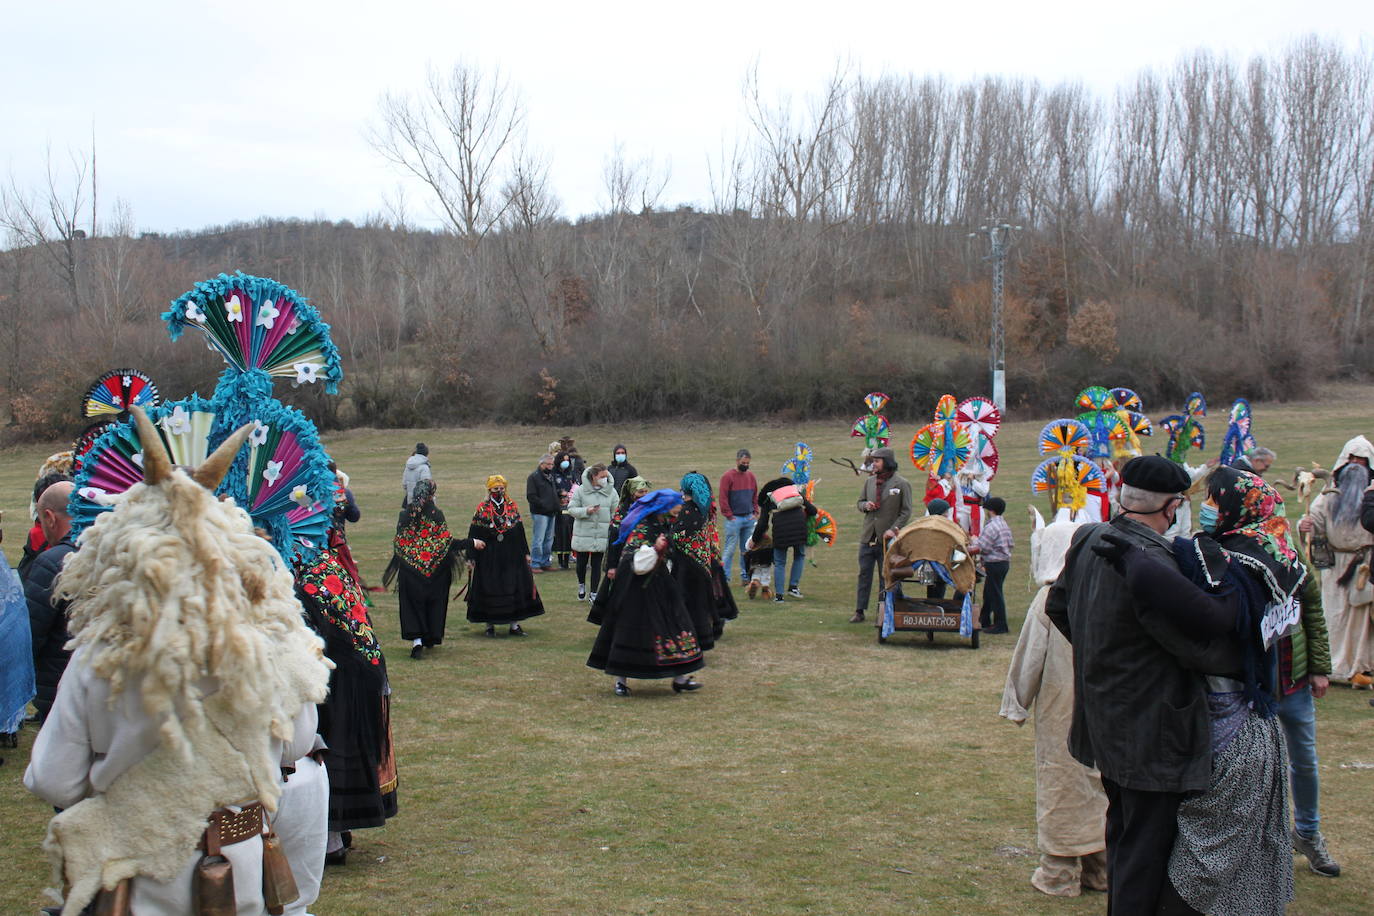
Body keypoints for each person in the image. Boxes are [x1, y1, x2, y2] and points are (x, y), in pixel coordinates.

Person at [23, 409, 329, 915]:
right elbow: (294, 745)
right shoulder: (268, 644)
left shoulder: (101, 655)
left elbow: (53, 777)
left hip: (137, 871)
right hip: (239, 865)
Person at [1093, 467, 1302, 914]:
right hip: (1238, 720)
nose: (1205, 508)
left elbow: (1217, 618)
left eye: (1214, 499)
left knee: (1203, 857)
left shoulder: (1245, 563)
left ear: (1237, 508)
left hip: (1229, 730)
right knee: (1208, 850)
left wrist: (1139, 565)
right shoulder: (1269, 553)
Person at [1044, 455, 1214, 915]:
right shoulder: (1154, 560)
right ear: (1172, 507)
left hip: (1104, 714)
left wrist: (1102, 653)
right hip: (1150, 726)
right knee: (1144, 846)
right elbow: (1188, 645)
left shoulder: (1090, 536)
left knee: (1122, 830)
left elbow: (1058, 608)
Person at [1000, 505, 1107, 898]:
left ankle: (1060, 874)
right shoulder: (1108, 591)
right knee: (1101, 786)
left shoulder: (1050, 598)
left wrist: (1016, 703)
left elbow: (1029, 656)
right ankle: (1102, 870)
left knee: (1062, 782)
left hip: (1063, 708)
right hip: (1107, 708)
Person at [296, 548, 397, 864]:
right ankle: (336, 834)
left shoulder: (298, 578)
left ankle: (330, 838)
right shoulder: (326, 564)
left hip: (340, 679)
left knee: (325, 752)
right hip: (358, 670)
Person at [587, 489, 704, 696]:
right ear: (665, 507)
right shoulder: (643, 527)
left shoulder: (662, 524)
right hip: (635, 587)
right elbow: (636, 560)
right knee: (629, 629)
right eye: (677, 505)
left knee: (676, 623)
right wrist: (656, 549)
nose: (680, 508)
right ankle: (620, 681)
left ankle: (680, 678)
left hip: (659, 583)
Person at [1299, 436, 1373, 687]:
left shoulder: (1372, 493)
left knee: (1361, 620)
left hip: (1365, 564)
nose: (1355, 465)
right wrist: (1305, 525)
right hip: (1335, 565)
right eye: (1351, 459)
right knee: (1335, 616)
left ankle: (1360, 667)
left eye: (1362, 461)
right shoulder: (1330, 491)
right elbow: (1315, 518)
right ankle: (1333, 666)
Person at [383, 479, 475, 657]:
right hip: (435, 571)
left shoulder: (405, 514)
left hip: (410, 570)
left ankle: (417, 641)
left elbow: (400, 542)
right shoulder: (436, 514)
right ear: (432, 495)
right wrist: (471, 543)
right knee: (434, 603)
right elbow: (445, 542)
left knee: (412, 605)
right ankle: (430, 636)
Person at [466, 475, 545, 637]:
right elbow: (473, 533)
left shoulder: (512, 507)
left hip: (511, 555)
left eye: (502, 489)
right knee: (489, 587)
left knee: (513, 586)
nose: (499, 492)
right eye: (496, 489)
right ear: (489, 490)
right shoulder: (482, 508)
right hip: (489, 556)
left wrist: (526, 553)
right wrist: (471, 556)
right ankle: (489, 626)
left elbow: (520, 531)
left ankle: (514, 625)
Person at [25, 480, 76, 723]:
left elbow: (31, 634)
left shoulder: (51, 563)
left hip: (59, 686)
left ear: (49, 517)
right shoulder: (109, 553)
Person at [673, 472, 738, 646]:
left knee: (694, 600)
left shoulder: (689, 511)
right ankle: (711, 624)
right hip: (705, 556)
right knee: (707, 596)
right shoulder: (704, 507)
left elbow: (677, 537)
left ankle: (695, 632)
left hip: (692, 562)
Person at [852, 447, 913, 623]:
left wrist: (893, 529)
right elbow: (859, 502)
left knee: (886, 576)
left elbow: (906, 512)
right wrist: (865, 506)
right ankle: (859, 610)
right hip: (868, 537)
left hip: (888, 539)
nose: (873, 464)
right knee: (864, 574)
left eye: (877, 461)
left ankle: (884, 609)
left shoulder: (901, 484)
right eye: (873, 461)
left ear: (886, 462)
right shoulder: (869, 482)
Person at [588, 476, 651, 625]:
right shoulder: (622, 512)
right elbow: (614, 541)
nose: (643, 495)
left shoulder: (648, 509)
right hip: (623, 559)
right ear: (632, 493)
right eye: (640, 492)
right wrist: (612, 566)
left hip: (641, 559)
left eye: (645, 492)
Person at [751, 474, 818, 604]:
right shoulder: (794, 493)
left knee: (780, 562)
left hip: (780, 531)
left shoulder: (768, 499)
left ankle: (779, 596)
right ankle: (793, 587)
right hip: (799, 527)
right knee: (799, 556)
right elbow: (813, 510)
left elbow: (762, 524)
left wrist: (754, 539)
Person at [567, 463, 618, 601]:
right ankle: (581, 584)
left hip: (601, 534)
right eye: (602, 477)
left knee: (597, 564)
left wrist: (614, 524)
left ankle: (594, 592)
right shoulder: (580, 491)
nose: (604, 479)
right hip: (583, 532)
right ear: (594, 476)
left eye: (606, 477)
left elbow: (616, 511)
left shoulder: (611, 492)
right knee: (581, 563)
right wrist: (585, 511)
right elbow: (571, 509)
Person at [970, 496, 1013, 634]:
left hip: (994, 563)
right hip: (1003, 563)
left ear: (991, 510)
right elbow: (1011, 543)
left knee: (995, 594)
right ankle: (984, 620)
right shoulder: (1003, 524)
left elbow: (983, 547)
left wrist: (970, 546)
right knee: (989, 593)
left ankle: (1001, 625)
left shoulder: (992, 527)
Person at [719, 448, 759, 586]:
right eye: (743, 463)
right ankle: (725, 578)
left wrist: (755, 512)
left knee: (746, 550)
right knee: (729, 550)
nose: (746, 465)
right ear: (737, 461)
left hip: (748, 518)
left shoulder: (751, 476)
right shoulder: (727, 477)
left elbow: (755, 495)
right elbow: (723, 498)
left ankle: (745, 576)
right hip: (734, 519)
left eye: (748, 463)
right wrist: (729, 515)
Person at [328, 461, 367, 589]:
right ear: (335, 471)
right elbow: (354, 517)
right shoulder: (343, 492)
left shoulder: (311, 491)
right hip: (338, 541)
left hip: (316, 541)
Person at [526, 453, 560, 572]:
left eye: (552, 464)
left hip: (551, 512)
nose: (551, 466)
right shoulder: (533, 477)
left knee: (549, 539)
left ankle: (545, 562)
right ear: (541, 464)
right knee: (539, 539)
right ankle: (535, 563)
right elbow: (531, 496)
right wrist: (544, 505)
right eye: (548, 464)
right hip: (540, 513)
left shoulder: (551, 476)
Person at [552, 448, 579, 569]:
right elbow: (551, 488)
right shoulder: (553, 473)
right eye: (564, 460)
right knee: (559, 533)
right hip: (558, 507)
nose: (566, 462)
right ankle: (560, 560)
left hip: (570, 506)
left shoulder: (570, 473)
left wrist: (571, 495)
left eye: (568, 460)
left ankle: (567, 560)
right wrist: (559, 493)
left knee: (569, 532)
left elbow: (576, 486)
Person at [402, 442, 432, 507]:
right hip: (422, 503)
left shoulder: (408, 466)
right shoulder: (424, 467)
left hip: (409, 501)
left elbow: (404, 484)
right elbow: (426, 486)